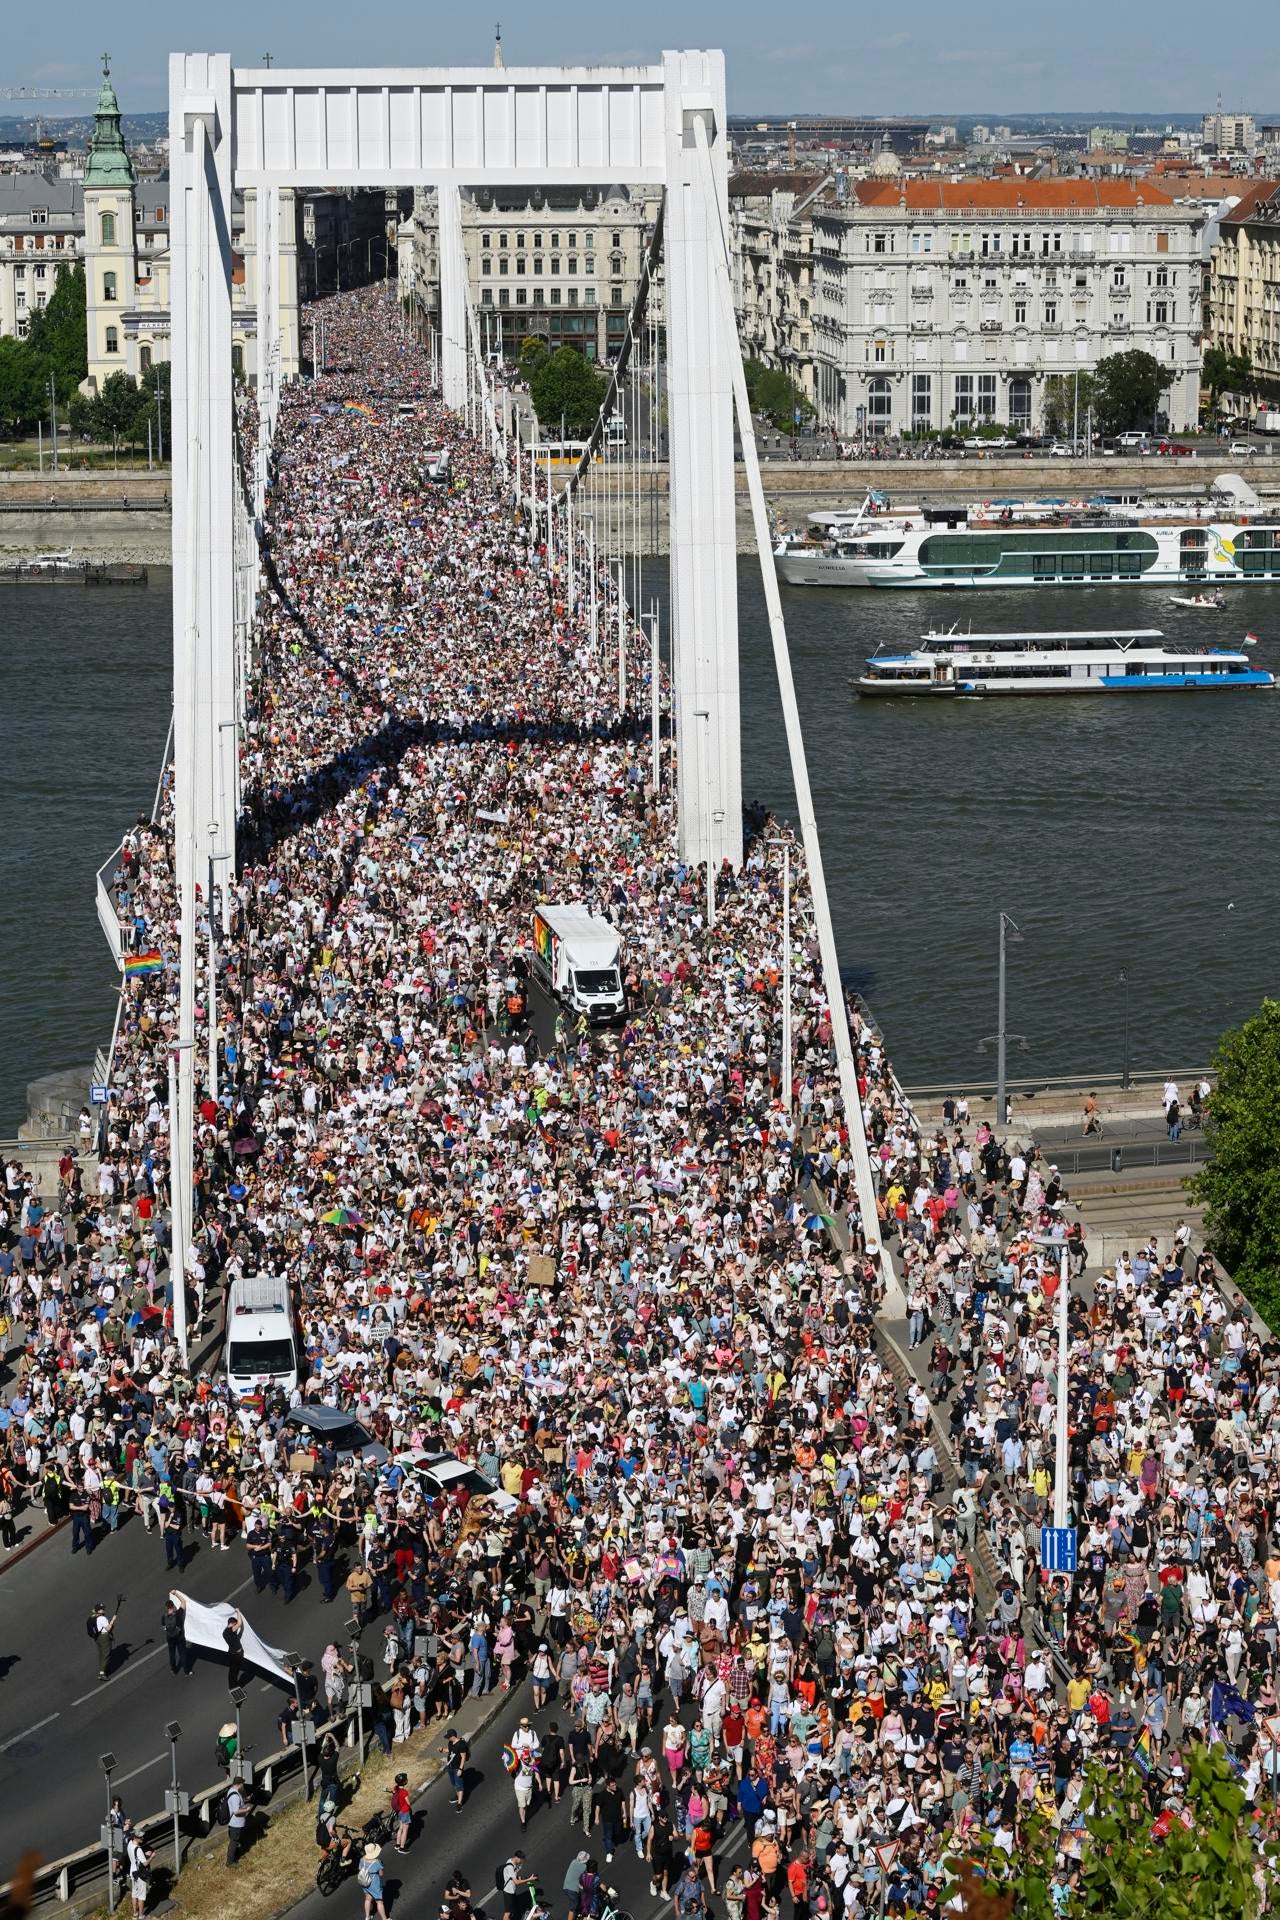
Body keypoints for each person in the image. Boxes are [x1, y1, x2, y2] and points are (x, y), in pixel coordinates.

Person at [124, 1822, 153, 1920]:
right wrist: (152, 1856)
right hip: (140, 1874)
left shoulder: (129, 1844)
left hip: (133, 1872)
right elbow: (145, 1864)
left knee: (134, 1893)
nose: (142, 1838)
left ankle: (135, 1914)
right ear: (135, 1837)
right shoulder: (139, 1850)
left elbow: (136, 1857)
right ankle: (141, 1916)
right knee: (141, 1896)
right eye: (140, 1837)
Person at [359, 1841, 389, 1920]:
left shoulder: (362, 1859)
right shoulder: (377, 1862)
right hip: (374, 1884)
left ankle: (367, 1917)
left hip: (365, 1882)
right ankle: (384, 1919)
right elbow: (381, 1874)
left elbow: (360, 1869)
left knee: (368, 1899)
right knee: (379, 1901)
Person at [90, 1600, 118, 1681]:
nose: (103, 1609)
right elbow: (108, 1628)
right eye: (102, 1609)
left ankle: (104, 1669)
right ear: (98, 1610)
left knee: (101, 1654)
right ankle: (102, 1674)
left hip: (97, 1638)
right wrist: (113, 1620)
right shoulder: (102, 1618)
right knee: (106, 1655)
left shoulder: (93, 1617)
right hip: (104, 1638)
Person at [163, 1596, 190, 1677]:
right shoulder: (178, 1614)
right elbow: (183, 1601)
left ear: (166, 1607)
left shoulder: (163, 1617)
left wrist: (170, 1631)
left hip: (170, 1638)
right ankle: (186, 1672)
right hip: (179, 1637)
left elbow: (164, 1628)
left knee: (172, 1655)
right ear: (173, 1605)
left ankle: (174, 1671)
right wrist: (176, 1593)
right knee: (182, 1654)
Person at [445, 1728, 470, 1810]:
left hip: (457, 1768)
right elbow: (449, 1750)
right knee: (454, 1783)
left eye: (448, 1737)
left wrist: (460, 1769)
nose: (448, 1738)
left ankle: (459, 1803)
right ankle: (457, 1796)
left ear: (453, 1736)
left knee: (459, 1785)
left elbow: (463, 1757)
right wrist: (442, 1750)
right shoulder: (450, 1742)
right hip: (450, 1767)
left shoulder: (461, 1744)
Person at [225, 1779, 248, 1867]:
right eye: (242, 1784)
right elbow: (236, 1811)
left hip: (235, 1823)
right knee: (234, 1842)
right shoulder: (235, 1796)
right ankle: (230, 1862)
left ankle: (236, 1855)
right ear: (240, 1784)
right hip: (236, 1824)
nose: (243, 1786)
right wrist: (246, 1809)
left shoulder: (231, 1791)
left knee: (236, 1841)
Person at [389, 1771, 412, 1853]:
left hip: (398, 1811)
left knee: (400, 1828)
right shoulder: (404, 1792)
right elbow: (408, 1803)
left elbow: (391, 1790)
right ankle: (402, 1848)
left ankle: (397, 1844)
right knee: (405, 1830)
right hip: (404, 1812)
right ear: (405, 1782)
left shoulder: (396, 1788)